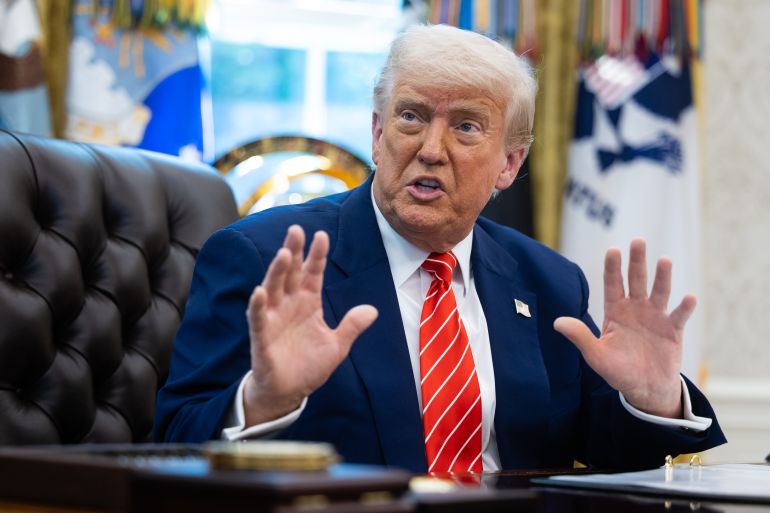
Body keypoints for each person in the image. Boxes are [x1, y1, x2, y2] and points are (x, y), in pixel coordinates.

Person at [154, 24, 725, 473]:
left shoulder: (547, 282)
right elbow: (172, 442)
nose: (431, 148)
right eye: (411, 116)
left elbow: (612, 452)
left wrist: (652, 400)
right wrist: (262, 400)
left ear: (509, 163)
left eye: (467, 127)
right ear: (378, 134)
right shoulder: (267, 259)